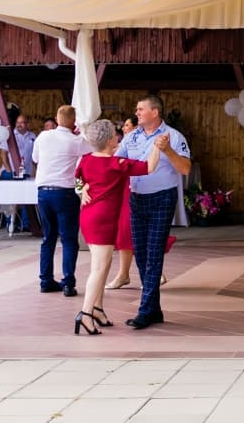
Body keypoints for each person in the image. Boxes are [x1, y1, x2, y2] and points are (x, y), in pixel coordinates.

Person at [74, 119, 160, 335]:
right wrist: (158, 147)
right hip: (103, 220)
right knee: (99, 268)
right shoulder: (117, 164)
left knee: (103, 262)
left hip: (88, 217)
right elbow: (149, 167)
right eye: (114, 133)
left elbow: (76, 179)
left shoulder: (85, 160)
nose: (117, 136)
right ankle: (84, 314)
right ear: (110, 140)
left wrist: (81, 189)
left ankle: (97, 308)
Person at [115, 95, 192, 329]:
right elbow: (117, 162)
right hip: (137, 199)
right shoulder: (132, 137)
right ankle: (154, 310)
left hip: (162, 198)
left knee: (154, 252)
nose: (136, 112)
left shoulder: (174, 136)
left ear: (155, 112)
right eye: (137, 109)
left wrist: (167, 150)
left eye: (141, 109)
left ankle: (144, 311)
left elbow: (185, 169)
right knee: (141, 253)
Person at [32, 105, 90, 296]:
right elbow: (94, 146)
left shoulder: (42, 137)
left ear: (57, 119)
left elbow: (35, 158)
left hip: (43, 192)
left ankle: (46, 280)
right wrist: (82, 130)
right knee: (68, 239)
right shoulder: (76, 141)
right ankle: (68, 283)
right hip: (64, 193)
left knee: (48, 238)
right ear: (73, 122)